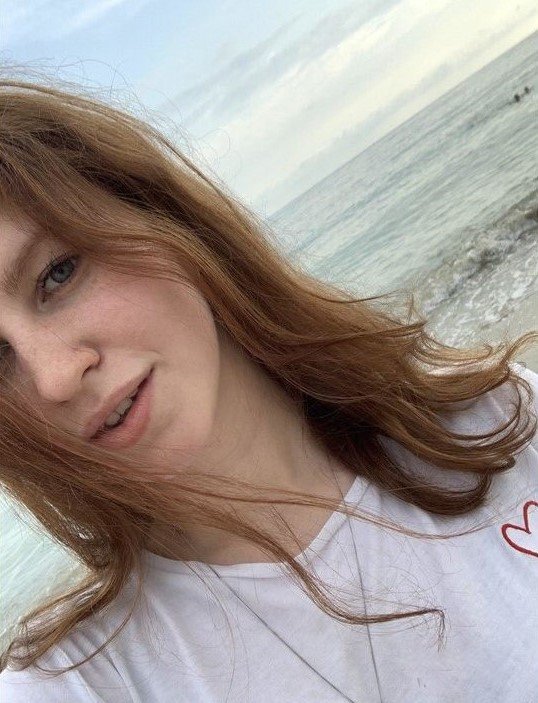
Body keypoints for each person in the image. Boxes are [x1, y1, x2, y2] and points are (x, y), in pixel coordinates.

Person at [0, 77, 536, 703]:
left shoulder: (498, 423)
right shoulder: (81, 685)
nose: (56, 377)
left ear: (164, 216)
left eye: (58, 273)